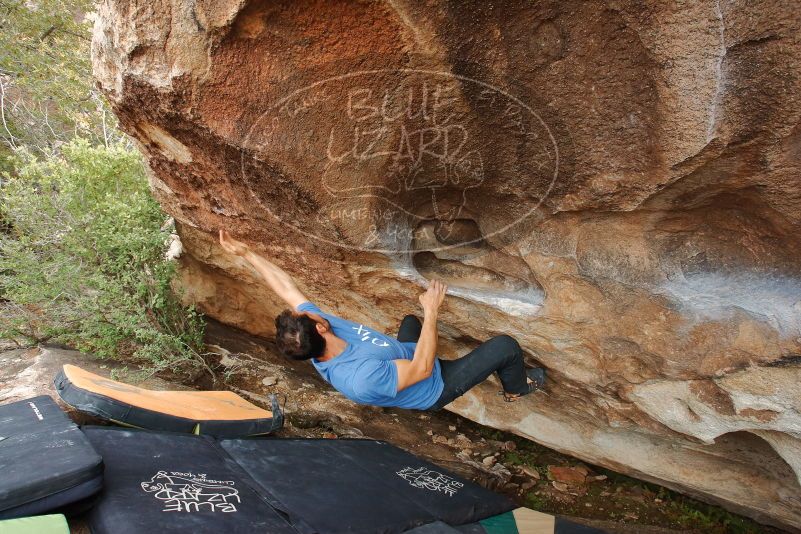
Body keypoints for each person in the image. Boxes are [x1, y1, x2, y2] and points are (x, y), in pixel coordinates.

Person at [218, 229, 546, 410]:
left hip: (400, 357)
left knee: (409, 322)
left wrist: (247, 254)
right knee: (505, 346)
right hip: (434, 384)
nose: (303, 305)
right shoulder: (360, 378)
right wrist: (432, 310)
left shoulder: (315, 338)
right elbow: (422, 369)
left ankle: (418, 337)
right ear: (319, 327)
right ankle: (516, 389)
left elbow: (285, 288)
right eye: (305, 312)